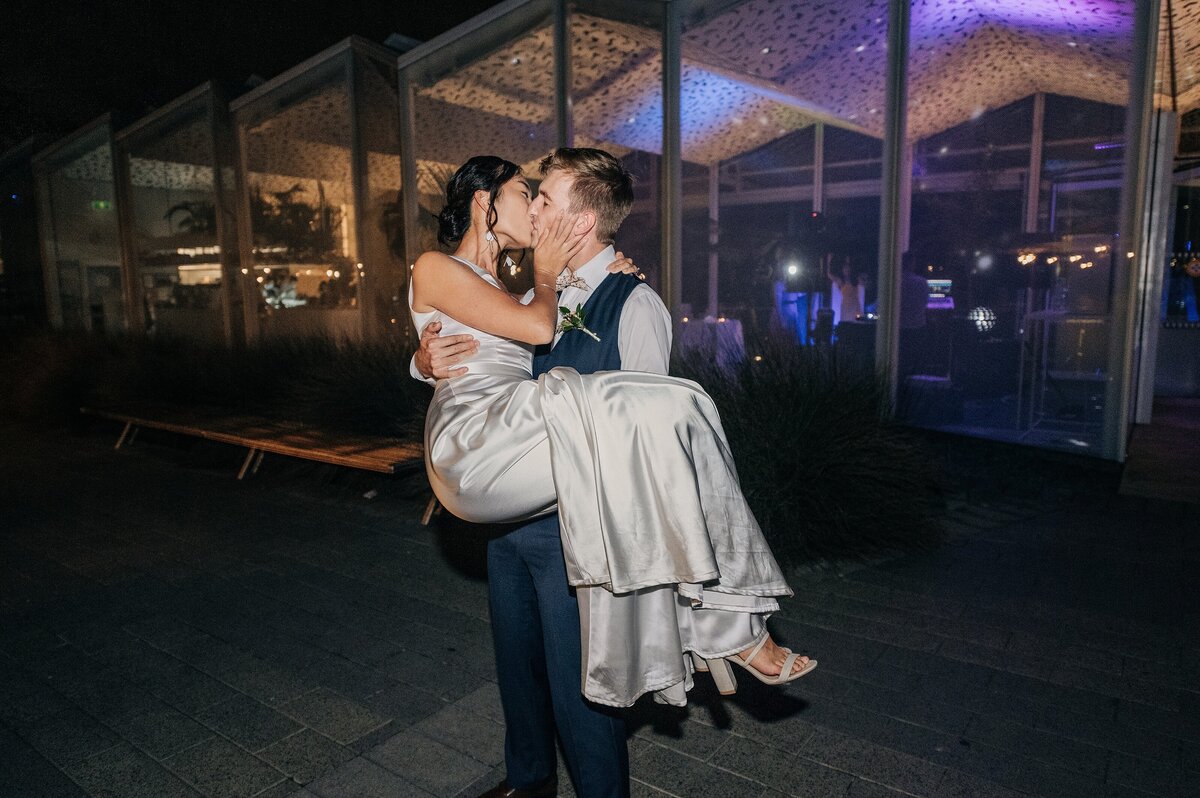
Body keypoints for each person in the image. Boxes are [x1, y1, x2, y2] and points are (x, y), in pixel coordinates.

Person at [408, 151, 815, 794]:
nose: (535, 207)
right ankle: (529, 781)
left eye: (546, 199)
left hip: (575, 528)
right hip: (507, 510)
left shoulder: (632, 302)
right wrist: (422, 359)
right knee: (519, 668)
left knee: (582, 689)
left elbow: (648, 452)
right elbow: (477, 336)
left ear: (583, 219)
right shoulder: (529, 285)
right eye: (529, 196)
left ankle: (725, 624)